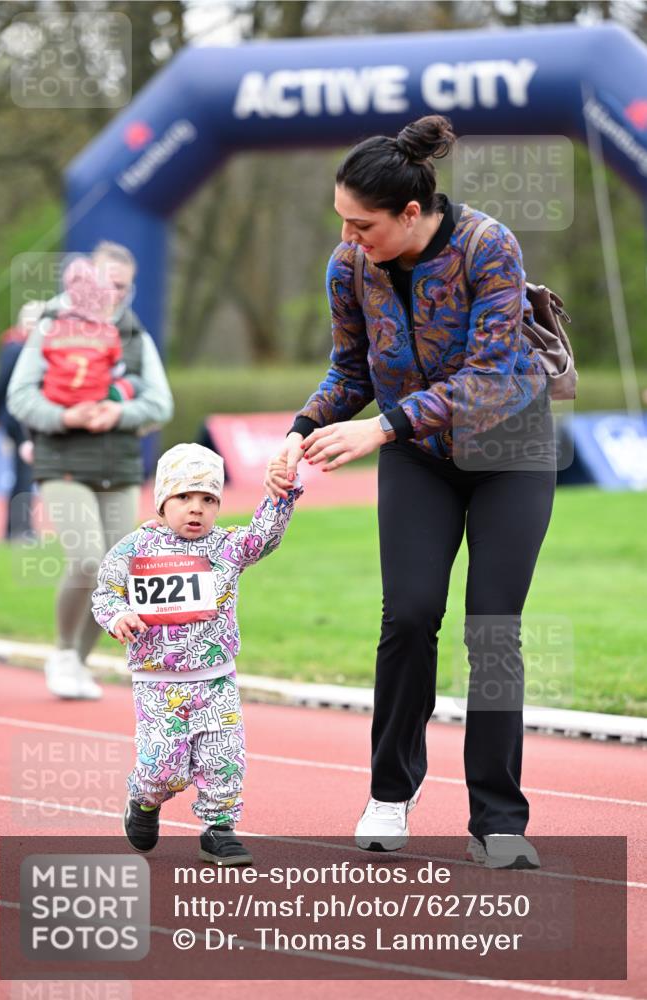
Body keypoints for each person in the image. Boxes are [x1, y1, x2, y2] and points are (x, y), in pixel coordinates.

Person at [265, 115, 556, 871]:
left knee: (492, 627)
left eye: (362, 225)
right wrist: (301, 428)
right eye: (342, 221)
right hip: (418, 456)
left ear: (411, 213)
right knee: (409, 615)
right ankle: (389, 794)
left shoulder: (488, 246)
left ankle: (498, 820)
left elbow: (489, 376)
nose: (348, 237)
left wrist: (382, 428)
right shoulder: (348, 267)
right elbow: (349, 369)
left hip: (510, 449)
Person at [91, 443, 303, 864]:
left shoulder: (227, 546)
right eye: (184, 497)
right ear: (162, 502)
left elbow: (263, 538)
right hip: (158, 684)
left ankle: (218, 829)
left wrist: (281, 496)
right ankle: (144, 800)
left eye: (208, 499)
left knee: (224, 760)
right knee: (162, 767)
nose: (196, 509)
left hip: (216, 680)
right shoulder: (135, 548)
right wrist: (118, 616)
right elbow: (105, 593)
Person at [7, 241, 174, 701]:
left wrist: (118, 412)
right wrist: (66, 416)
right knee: (87, 561)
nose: (113, 293)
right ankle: (62, 652)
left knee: (119, 573)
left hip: (118, 465)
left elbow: (161, 403)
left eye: (122, 286)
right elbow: (19, 395)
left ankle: (79, 662)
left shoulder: (135, 335)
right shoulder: (51, 326)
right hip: (62, 461)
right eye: (105, 283)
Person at [41, 256, 141, 408]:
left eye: (119, 286)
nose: (114, 293)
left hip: (55, 398)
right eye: (108, 284)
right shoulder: (109, 333)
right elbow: (117, 369)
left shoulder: (54, 327)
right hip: (95, 401)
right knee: (133, 384)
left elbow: (43, 362)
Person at [0, 300, 46, 539]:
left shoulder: (20, 346)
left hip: (19, 419)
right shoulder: (16, 347)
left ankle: (17, 528)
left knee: (24, 473)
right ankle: (20, 529)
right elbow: (0, 385)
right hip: (18, 420)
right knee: (24, 473)